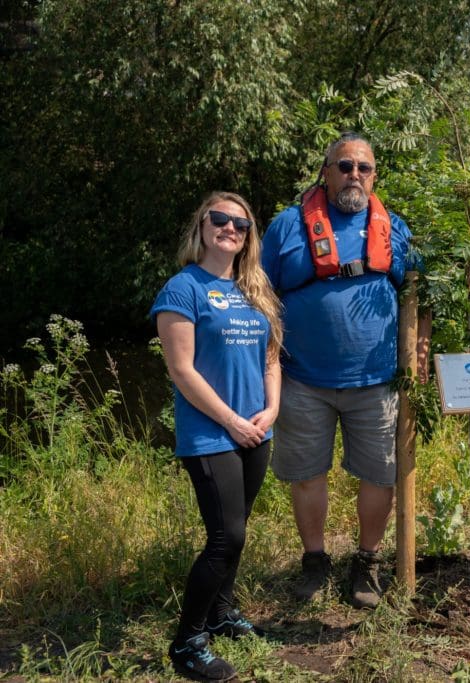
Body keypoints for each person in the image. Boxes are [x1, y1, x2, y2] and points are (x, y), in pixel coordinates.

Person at [261, 132, 429, 609]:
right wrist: (264, 358)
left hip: (375, 381)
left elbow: (418, 295)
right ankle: (314, 560)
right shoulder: (288, 226)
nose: (354, 174)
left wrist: (418, 352)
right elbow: (261, 294)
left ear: (374, 176)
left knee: (380, 476)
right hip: (302, 379)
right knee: (308, 475)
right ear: (326, 171)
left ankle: (367, 562)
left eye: (364, 168)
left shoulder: (394, 228)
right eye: (345, 166)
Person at [152, 192, 282, 681]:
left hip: (256, 429)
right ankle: (187, 643)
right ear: (202, 226)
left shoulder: (257, 290)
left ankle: (221, 614)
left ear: (249, 236)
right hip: (212, 434)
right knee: (226, 536)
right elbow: (182, 371)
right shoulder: (182, 288)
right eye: (220, 219)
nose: (230, 228)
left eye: (240, 224)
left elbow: (270, 358)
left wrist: (271, 409)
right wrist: (231, 420)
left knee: (238, 529)